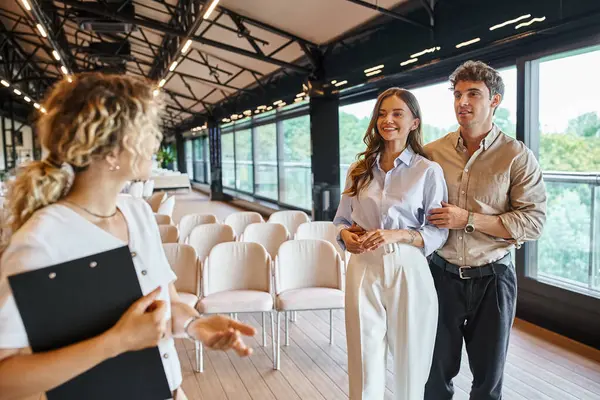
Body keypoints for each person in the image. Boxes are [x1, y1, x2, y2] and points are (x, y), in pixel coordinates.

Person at [0, 73, 256, 400]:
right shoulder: (42, 239)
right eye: (147, 131)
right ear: (111, 151)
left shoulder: (138, 214)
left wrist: (196, 326)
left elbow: (169, 302)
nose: (155, 142)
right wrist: (116, 342)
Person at [424, 60, 547, 399]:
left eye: (473, 94)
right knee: (433, 375)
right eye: (458, 94)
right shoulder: (432, 153)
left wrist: (469, 219)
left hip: (494, 281)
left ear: (494, 100)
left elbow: (533, 222)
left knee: (488, 382)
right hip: (440, 277)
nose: (462, 102)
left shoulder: (516, 156)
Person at [334, 88, 449, 400]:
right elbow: (341, 221)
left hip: (408, 267)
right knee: (363, 355)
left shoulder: (428, 171)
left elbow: (438, 232)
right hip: (362, 266)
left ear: (414, 122)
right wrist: (345, 237)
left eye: (398, 113)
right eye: (382, 114)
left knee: (411, 357)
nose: (388, 120)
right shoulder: (358, 170)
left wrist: (397, 235)